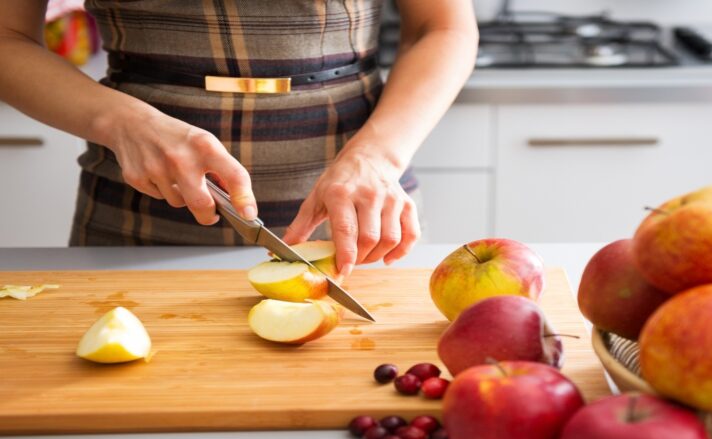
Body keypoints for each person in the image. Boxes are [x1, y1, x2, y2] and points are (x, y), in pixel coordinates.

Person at [0, 1, 478, 278]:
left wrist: (377, 158)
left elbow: (442, 26)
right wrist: (122, 122)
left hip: (362, 222)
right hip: (134, 223)